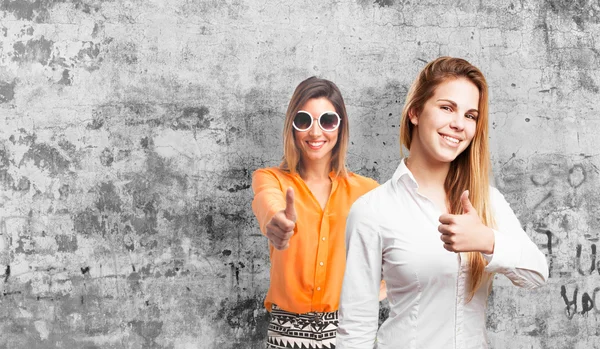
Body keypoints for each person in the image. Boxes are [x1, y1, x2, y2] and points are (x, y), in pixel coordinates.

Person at [336, 57, 549, 349]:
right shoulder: (372, 211)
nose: (458, 124)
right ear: (415, 112)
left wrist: (487, 240)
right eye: (447, 108)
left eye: (471, 116)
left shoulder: (486, 202)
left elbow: (536, 274)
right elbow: (355, 329)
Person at [252, 77, 380, 349]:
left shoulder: (368, 192)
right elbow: (267, 201)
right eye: (304, 121)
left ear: (340, 126)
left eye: (327, 121)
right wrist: (277, 221)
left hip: (349, 333)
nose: (315, 132)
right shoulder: (271, 179)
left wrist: (380, 291)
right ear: (292, 127)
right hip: (287, 335)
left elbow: (403, 249)